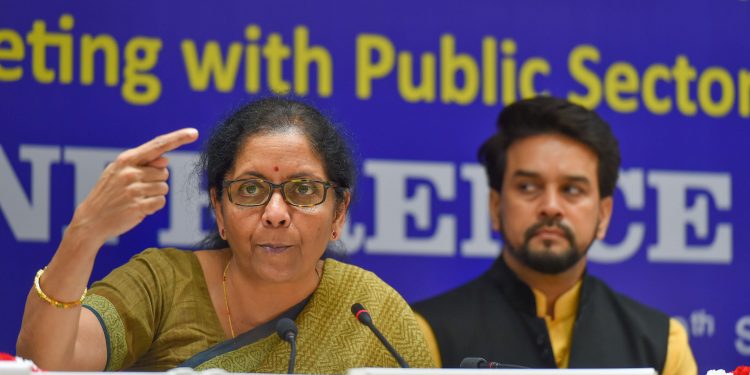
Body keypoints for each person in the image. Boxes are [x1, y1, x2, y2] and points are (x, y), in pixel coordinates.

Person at [16, 97, 434, 372]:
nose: (275, 214)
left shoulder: (371, 315)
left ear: (339, 211)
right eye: (250, 189)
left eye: (303, 190)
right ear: (218, 208)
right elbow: (47, 365)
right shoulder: (164, 284)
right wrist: (84, 233)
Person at [412, 96, 697, 374]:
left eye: (572, 189)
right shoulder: (426, 333)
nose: (550, 207)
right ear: (496, 207)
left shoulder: (662, 345)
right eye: (527, 187)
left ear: (604, 215)